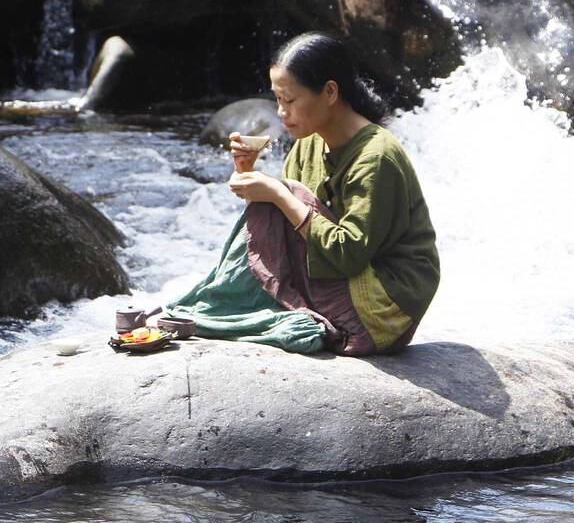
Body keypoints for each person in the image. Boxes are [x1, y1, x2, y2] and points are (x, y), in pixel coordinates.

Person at [165, 32, 439, 355]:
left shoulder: (376, 156)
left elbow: (348, 253)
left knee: (284, 192)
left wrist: (278, 194)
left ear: (330, 92)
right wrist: (247, 171)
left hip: (385, 308)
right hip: (345, 281)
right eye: (278, 99)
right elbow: (282, 230)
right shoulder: (309, 142)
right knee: (281, 194)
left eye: (290, 100)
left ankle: (215, 309)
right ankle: (217, 306)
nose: (281, 112)